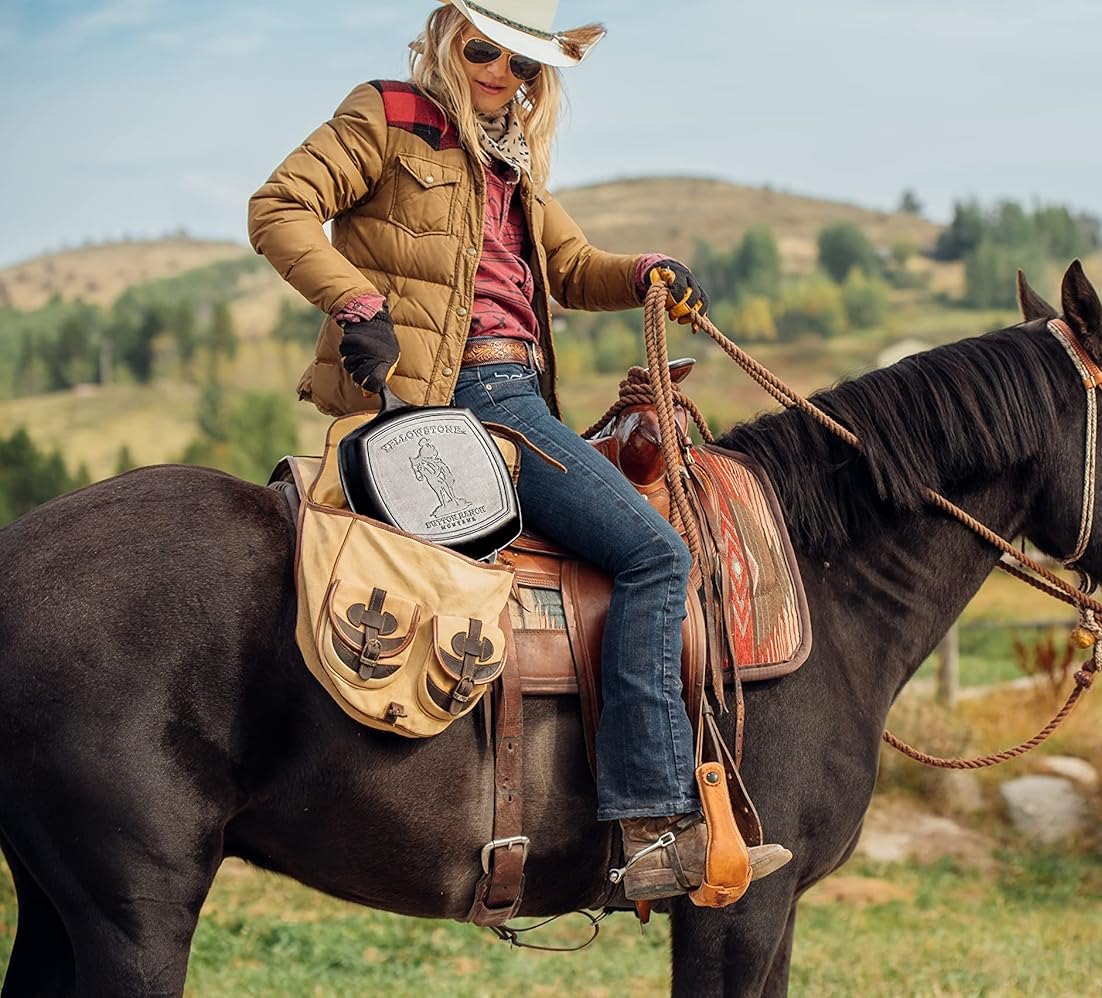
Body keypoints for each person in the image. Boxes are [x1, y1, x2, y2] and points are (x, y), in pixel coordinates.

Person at [248, 0, 789, 901]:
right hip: (466, 394)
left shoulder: (511, 165)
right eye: (484, 52)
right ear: (445, 39)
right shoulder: (387, 114)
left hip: (520, 394)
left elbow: (572, 269)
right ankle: (653, 824)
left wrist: (648, 271)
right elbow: (280, 206)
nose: (501, 76)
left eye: (525, 67)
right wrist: (354, 301)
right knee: (659, 556)